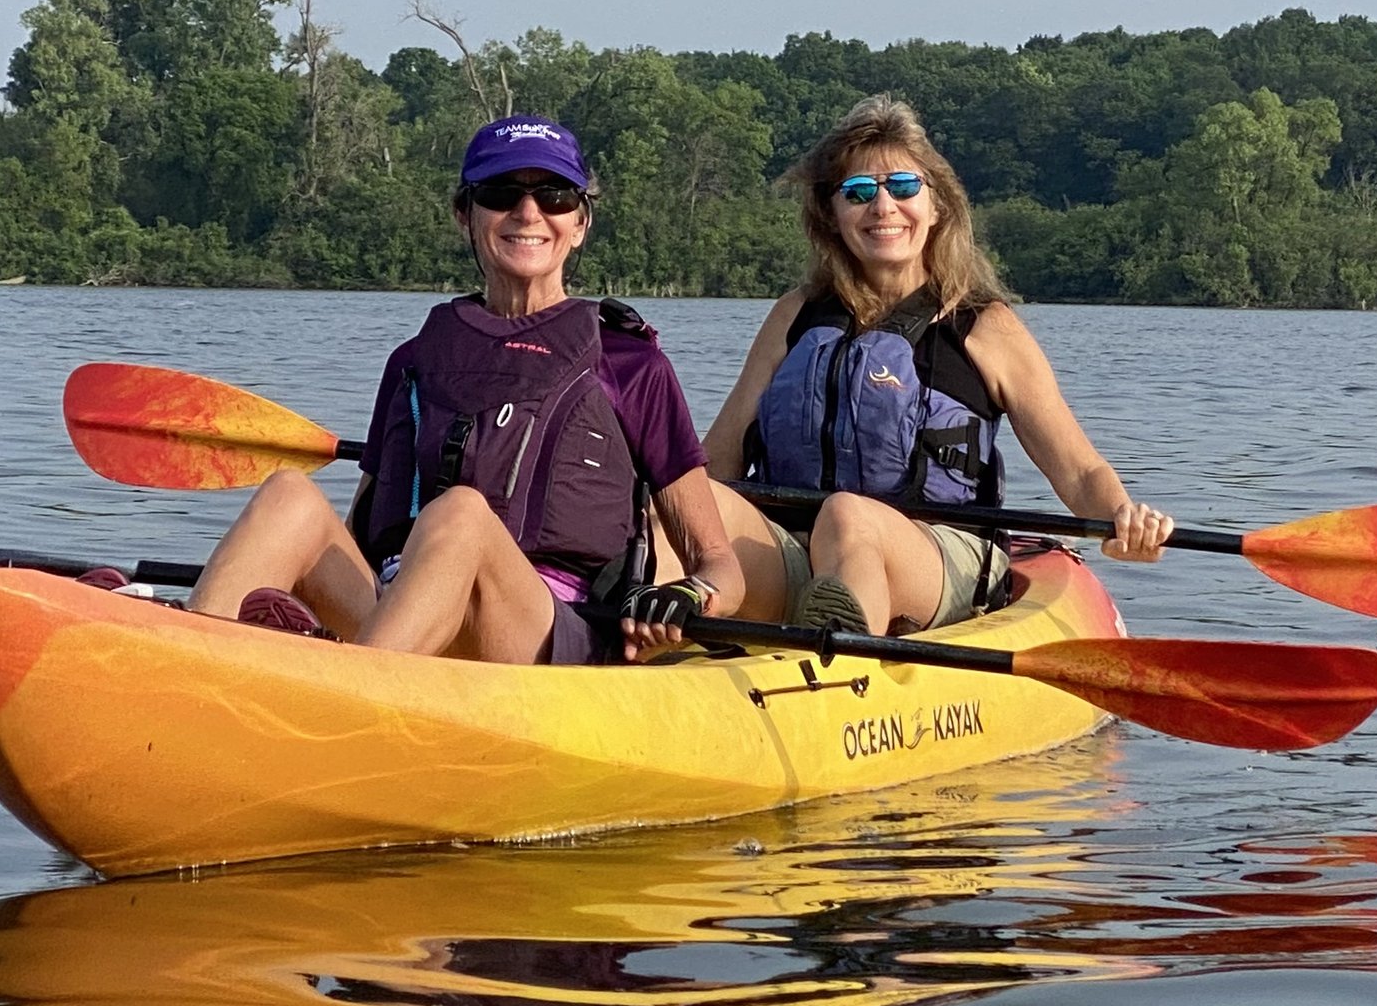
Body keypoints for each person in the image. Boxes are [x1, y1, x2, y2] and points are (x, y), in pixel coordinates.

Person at [185, 116, 743, 664]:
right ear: (464, 215)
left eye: (554, 197)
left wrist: (690, 593)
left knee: (460, 514)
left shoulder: (630, 365)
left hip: (542, 633)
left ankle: (347, 687)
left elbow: (721, 565)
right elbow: (362, 532)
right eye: (501, 194)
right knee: (288, 494)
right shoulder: (414, 361)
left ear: (579, 223)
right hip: (399, 610)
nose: (529, 213)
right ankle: (191, 666)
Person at [700, 94, 1173, 636]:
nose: (883, 207)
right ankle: (639, 641)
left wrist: (1123, 518)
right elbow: (719, 458)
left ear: (937, 205)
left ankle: (841, 658)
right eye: (858, 192)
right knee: (689, 503)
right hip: (793, 546)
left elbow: (1078, 470)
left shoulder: (986, 327)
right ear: (831, 214)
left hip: (936, 555)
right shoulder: (795, 315)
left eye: (903, 187)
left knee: (848, 516)